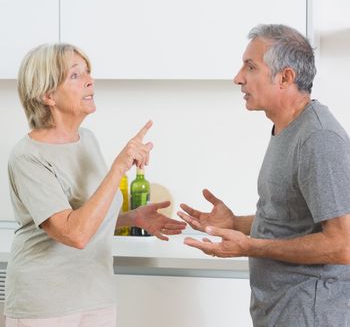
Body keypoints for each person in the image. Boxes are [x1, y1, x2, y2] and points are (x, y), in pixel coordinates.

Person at [177, 24, 350, 327]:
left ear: (285, 77)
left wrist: (252, 246)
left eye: (250, 67)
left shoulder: (318, 138)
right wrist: (235, 225)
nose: (238, 78)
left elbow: (343, 244)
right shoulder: (287, 130)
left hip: (311, 315)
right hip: (280, 312)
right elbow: (290, 223)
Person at [4, 43, 186, 327]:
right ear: (47, 94)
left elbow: (89, 217)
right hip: (45, 304)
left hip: (96, 296)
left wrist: (130, 218)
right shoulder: (28, 156)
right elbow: (74, 234)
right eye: (75, 75)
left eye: (88, 71)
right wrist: (118, 167)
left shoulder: (86, 140)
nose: (90, 80)